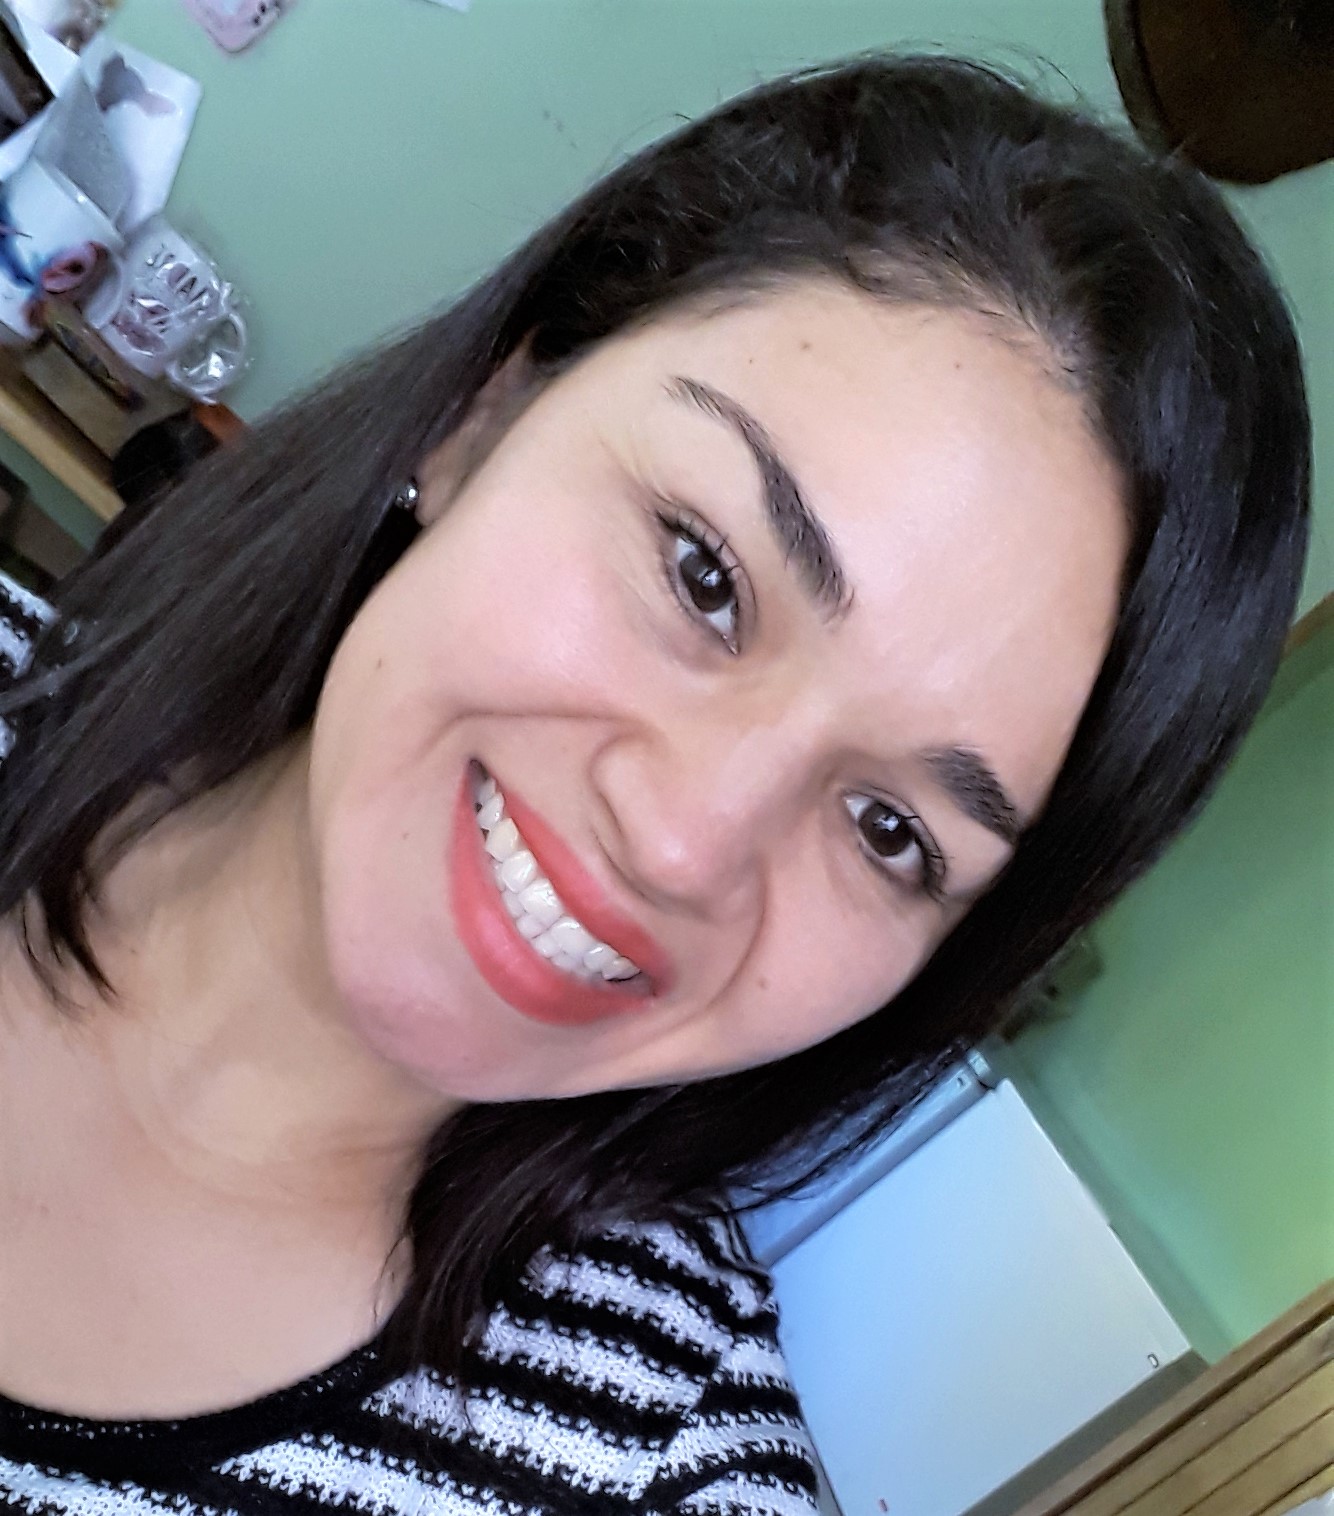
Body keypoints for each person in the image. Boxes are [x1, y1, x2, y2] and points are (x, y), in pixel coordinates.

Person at [0, 51, 1310, 1516]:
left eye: (891, 832)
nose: (685, 843)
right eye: (705, 576)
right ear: (487, 412)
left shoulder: (662, 1466)